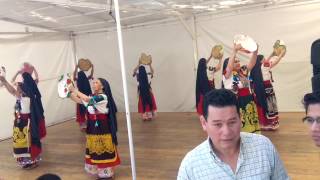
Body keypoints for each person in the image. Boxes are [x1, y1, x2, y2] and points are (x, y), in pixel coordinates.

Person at [177, 89, 289, 180]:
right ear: (204, 123)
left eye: (232, 122)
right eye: (218, 124)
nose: (226, 132)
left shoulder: (264, 147)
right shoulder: (191, 165)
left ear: (240, 118)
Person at [68, 78, 120, 179]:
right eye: (93, 82)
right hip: (92, 126)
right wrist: (68, 94)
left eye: (96, 82)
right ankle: (101, 173)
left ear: (103, 86)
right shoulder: (93, 96)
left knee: (103, 149)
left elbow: (87, 100)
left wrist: (75, 90)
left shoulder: (103, 97)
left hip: (102, 126)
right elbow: (80, 100)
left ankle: (107, 174)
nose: (93, 84)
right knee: (95, 148)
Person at [0, 73, 46, 169]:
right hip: (22, 124)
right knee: (23, 143)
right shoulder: (25, 97)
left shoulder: (25, 98)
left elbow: (12, 91)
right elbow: (13, 90)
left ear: (23, 89)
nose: (17, 88)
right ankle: (28, 161)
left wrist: (4, 81)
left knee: (26, 143)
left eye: (18, 86)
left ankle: (32, 161)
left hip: (26, 124)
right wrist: (4, 82)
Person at [222, 44, 260, 133]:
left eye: (238, 61)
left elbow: (252, 63)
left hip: (248, 102)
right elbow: (229, 67)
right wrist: (234, 51)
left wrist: (255, 51)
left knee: (250, 125)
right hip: (236, 103)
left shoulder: (243, 72)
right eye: (235, 61)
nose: (238, 62)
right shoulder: (227, 75)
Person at [250, 50, 285, 131]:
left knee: (264, 104)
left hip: (260, 88)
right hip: (267, 87)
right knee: (270, 104)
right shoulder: (264, 65)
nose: (266, 59)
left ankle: (265, 123)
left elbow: (266, 61)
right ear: (261, 60)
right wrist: (281, 55)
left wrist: (271, 54)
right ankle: (271, 123)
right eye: (264, 59)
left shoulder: (255, 69)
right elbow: (274, 62)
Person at [73, 64, 94, 131]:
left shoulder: (78, 79)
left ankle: (84, 125)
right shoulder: (85, 79)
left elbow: (74, 75)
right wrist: (92, 67)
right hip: (86, 95)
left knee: (83, 110)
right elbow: (91, 74)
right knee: (86, 109)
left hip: (81, 96)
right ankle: (86, 124)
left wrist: (76, 68)